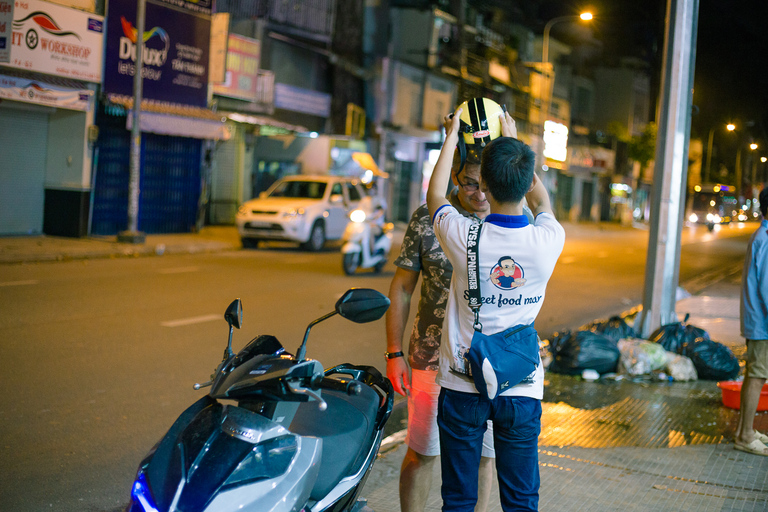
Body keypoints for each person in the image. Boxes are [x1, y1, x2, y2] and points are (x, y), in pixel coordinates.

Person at [426, 104, 565, 511]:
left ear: (482, 184)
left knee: (458, 499)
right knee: (521, 500)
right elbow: (541, 200)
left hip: (461, 382)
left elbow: (435, 195)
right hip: (520, 384)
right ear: (526, 182)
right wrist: (515, 140)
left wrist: (452, 136)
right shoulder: (548, 239)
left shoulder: (463, 234)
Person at [385, 145, 496, 512]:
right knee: (422, 453)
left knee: (483, 458)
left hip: (489, 365)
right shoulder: (427, 218)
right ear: (454, 177)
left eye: (487, 185)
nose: (480, 194)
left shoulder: (512, 219)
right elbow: (401, 288)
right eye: (470, 185)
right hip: (430, 362)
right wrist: (395, 354)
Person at [735, 186, 768, 456]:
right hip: (761, 322)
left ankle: (744, 431)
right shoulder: (766, 238)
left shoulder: (762, 235)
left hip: (757, 319)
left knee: (753, 375)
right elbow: (767, 289)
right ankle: (745, 435)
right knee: (757, 376)